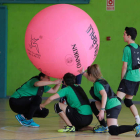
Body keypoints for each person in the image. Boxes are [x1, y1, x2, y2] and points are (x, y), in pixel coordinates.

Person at [80, 64, 140, 137]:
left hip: (112, 106)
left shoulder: (97, 84)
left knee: (113, 131)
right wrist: (83, 73)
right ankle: (104, 126)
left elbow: (104, 95)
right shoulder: (100, 79)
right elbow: (90, 77)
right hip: (114, 103)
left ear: (91, 75)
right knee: (93, 105)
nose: (88, 77)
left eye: (88, 75)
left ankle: (135, 127)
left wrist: (102, 111)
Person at [116, 27, 140, 126]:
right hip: (137, 78)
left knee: (116, 101)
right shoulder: (139, 47)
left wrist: (122, 80)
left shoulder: (127, 48)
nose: (123, 35)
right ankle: (138, 121)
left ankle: (112, 123)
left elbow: (124, 67)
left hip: (129, 77)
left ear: (129, 36)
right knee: (128, 100)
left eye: (124, 34)